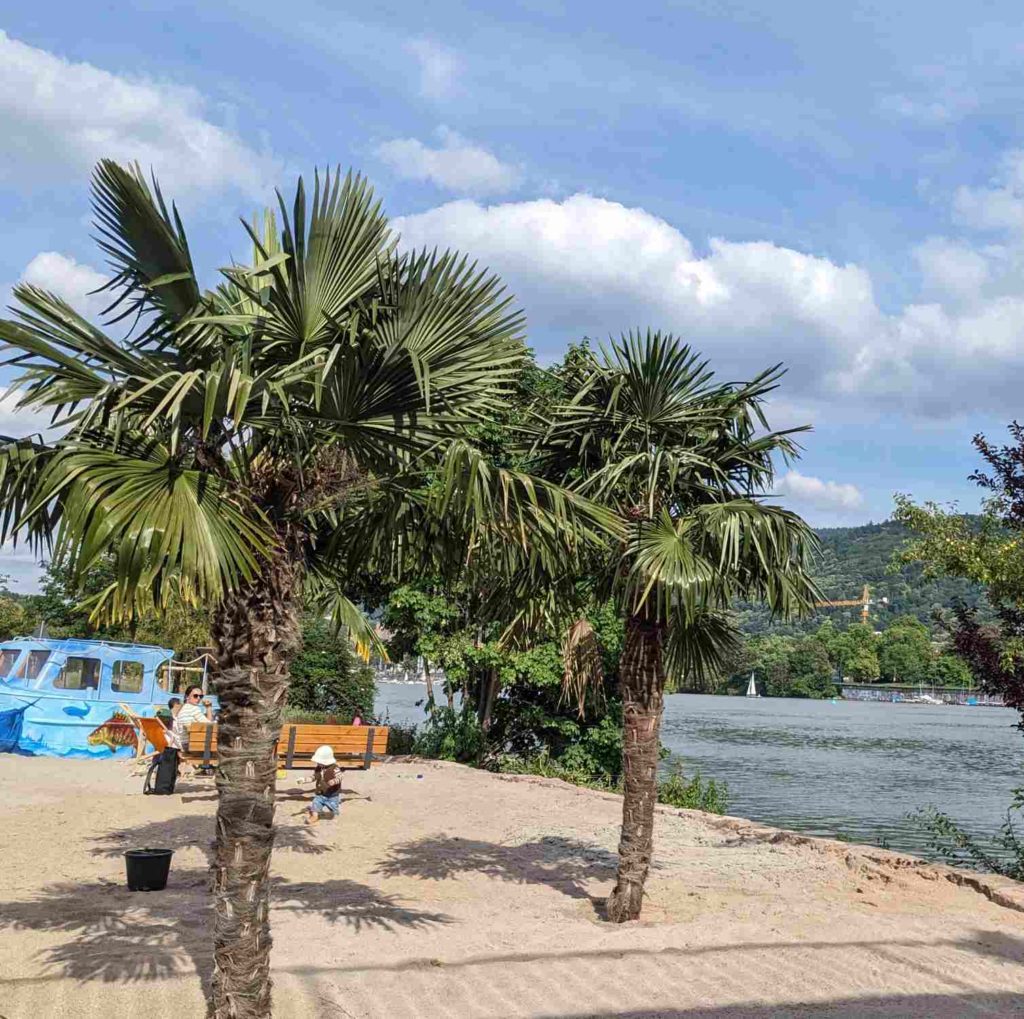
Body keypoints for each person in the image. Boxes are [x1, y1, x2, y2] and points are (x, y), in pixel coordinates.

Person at [303, 745, 342, 824]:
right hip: (321, 792)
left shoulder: (335, 768)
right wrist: (306, 780)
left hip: (332, 793)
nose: (318, 763)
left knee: (333, 808)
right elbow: (315, 776)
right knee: (316, 803)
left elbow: (340, 777)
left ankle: (333, 812)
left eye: (319, 761)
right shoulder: (319, 768)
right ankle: (314, 816)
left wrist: (334, 781)